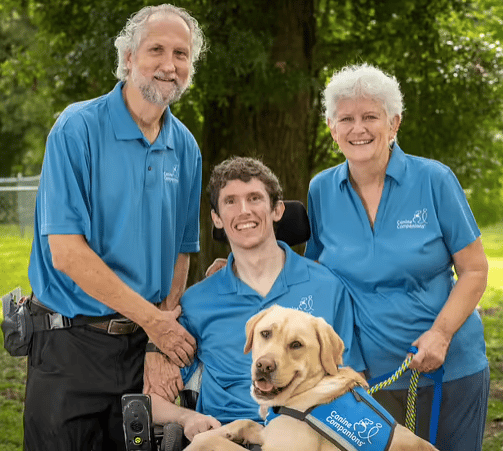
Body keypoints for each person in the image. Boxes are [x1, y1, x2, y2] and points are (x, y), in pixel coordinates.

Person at [24, 4, 206, 450]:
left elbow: (181, 253)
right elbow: (66, 253)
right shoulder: (77, 129)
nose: (169, 65)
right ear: (128, 58)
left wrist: (157, 345)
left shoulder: (185, 147)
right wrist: (157, 324)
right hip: (70, 344)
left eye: (181, 54)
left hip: (140, 351)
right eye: (157, 50)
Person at [305, 63, 489, 451]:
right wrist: (237, 264)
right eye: (347, 119)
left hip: (449, 370)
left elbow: (474, 270)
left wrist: (440, 335)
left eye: (371, 116)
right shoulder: (321, 189)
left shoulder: (434, 180)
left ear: (394, 124)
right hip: (365, 379)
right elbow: (317, 277)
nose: (359, 129)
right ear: (331, 127)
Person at [148, 156, 365, 444]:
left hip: (305, 437)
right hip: (224, 439)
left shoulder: (326, 286)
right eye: (230, 202)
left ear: (277, 210)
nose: (244, 211)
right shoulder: (198, 302)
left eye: (254, 198)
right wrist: (186, 418)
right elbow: (151, 398)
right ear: (216, 218)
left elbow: (351, 381)